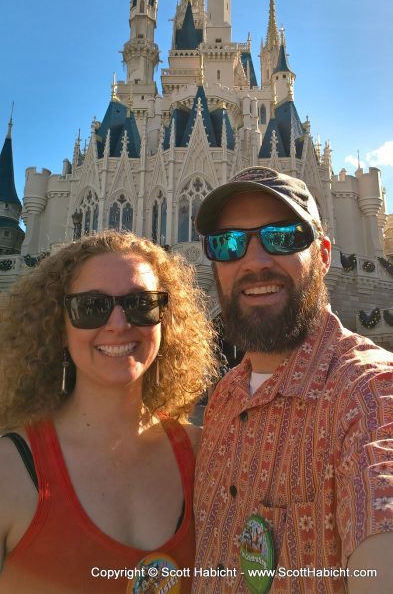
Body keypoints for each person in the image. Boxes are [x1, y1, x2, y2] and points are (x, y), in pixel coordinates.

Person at [192, 167, 393, 594]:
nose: (254, 260)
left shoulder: (369, 393)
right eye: (228, 243)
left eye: (283, 236)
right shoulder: (225, 398)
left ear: (323, 255)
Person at [0, 230, 217, 593]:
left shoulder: (206, 456)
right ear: (59, 325)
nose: (118, 324)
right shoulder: (11, 472)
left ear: (166, 320)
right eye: (91, 307)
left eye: (141, 304)